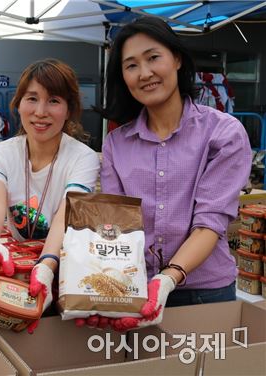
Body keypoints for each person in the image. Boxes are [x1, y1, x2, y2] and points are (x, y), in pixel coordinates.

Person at [97, 16, 252, 330]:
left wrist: (167, 279)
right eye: (131, 65)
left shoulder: (223, 134)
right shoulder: (116, 143)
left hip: (205, 292)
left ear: (177, 58)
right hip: (134, 289)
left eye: (153, 57)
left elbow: (210, 221)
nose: (145, 73)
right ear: (122, 77)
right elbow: (114, 222)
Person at [0, 59, 100, 332]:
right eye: (32, 99)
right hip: (15, 271)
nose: (40, 112)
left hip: (64, 272)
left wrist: (47, 264)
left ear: (69, 110)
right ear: (18, 103)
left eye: (54, 101)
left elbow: (67, 211)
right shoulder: (0, 154)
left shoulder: (83, 158)